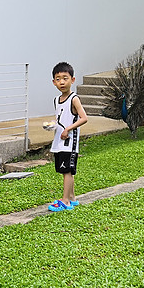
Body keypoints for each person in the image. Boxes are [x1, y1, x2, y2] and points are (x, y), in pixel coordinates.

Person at [48, 61, 88, 212]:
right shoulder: (56, 100)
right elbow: (59, 119)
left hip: (69, 142)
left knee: (67, 171)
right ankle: (72, 197)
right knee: (65, 170)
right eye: (58, 79)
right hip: (59, 141)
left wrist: (68, 130)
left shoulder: (74, 99)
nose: (62, 82)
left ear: (73, 79)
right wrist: (52, 125)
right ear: (53, 82)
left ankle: (65, 201)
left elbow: (84, 118)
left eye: (65, 78)